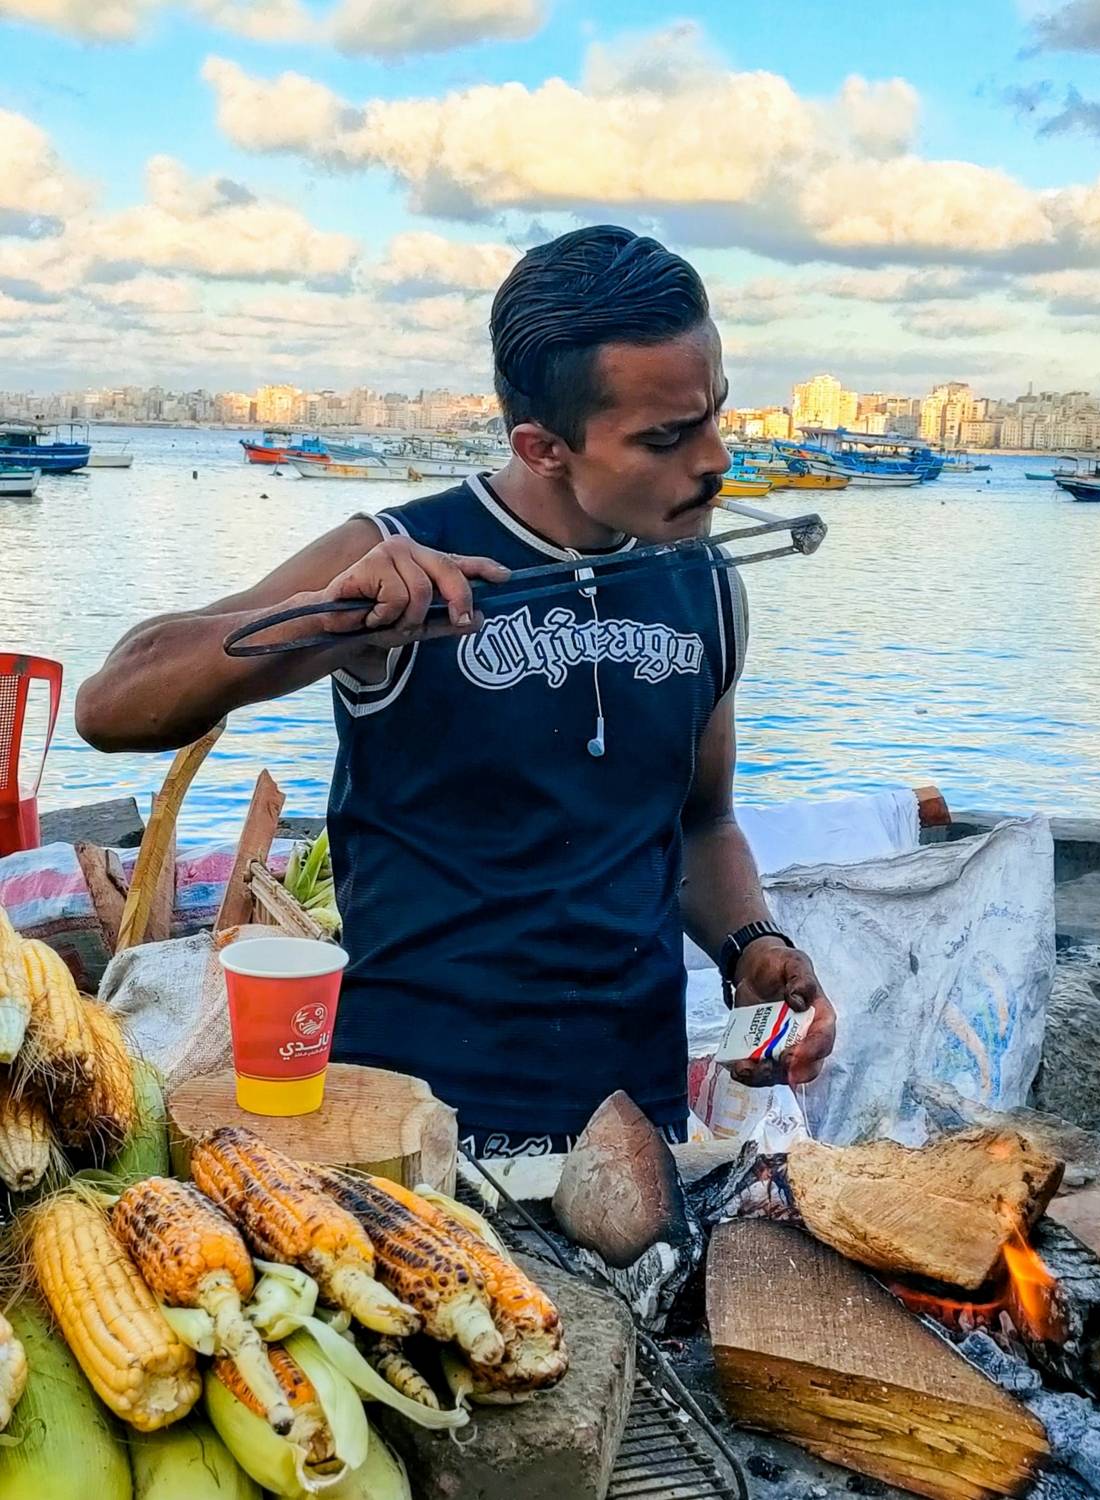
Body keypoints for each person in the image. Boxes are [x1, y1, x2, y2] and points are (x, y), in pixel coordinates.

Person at [76, 225, 836, 1157]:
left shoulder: (708, 585)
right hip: (407, 1116)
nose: (713, 459)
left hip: (631, 1117)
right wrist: (338, 619)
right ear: (542, 446)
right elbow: (114, 704)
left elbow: (700, 823)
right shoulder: (398, 551)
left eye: (715, 414)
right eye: (665, 438)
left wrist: (752, 946)